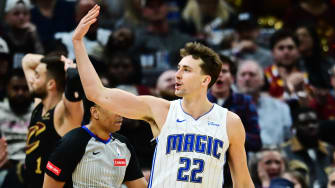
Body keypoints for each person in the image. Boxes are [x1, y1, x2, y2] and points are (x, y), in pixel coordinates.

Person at [72, 4, 254, 188]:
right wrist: (78, 43)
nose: (177, 74)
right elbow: (97, 94)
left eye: (187, 70)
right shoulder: (161, 110)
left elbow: (244, 182)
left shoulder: (230, 122)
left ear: (205, 80)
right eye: (178, 68)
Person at [43, 100, 147, 188]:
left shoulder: (123, 144)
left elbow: (140, 185)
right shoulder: (72, 142)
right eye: (113, 109)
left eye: (119, 109)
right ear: (95, 112)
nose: (120, 114)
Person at [21, 53, 84, 188]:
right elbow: (27, 61)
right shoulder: (39, 104)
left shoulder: (65, 113)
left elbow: (74, 80)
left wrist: (69, 67)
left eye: (37, 76)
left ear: (50, 84)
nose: (32, 80)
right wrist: (60, 61)